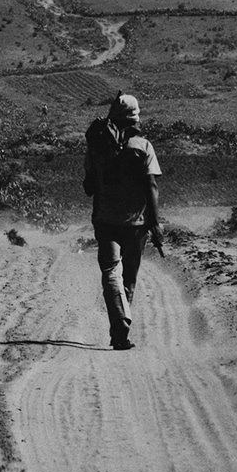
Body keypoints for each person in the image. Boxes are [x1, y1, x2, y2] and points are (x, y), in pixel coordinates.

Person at [83, 92, 163, 350]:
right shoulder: (143, 146)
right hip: (137, 224)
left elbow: (88, 186)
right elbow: (151, 184)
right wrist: (155, 221)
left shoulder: (97, 146)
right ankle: (121, 330)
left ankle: (119, 324)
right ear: (136, 116)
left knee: (110, 272)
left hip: (106, 220)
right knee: (128, 277)